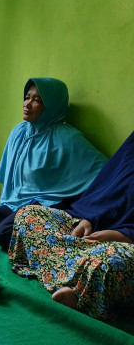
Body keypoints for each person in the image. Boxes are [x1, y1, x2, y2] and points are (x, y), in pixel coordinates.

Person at [0, 77, 107, 250]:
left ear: (52, 105)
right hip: (17, 203)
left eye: (37, 100)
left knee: (3, 233)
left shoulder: (67, 138)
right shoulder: (20, 131)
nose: (28, 104)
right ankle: (34, 239)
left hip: (47, 204)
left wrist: (88, 212)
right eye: (27, 97)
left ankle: (47, 240)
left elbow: (106, 172)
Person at [8, 130, 134, 320]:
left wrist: (122, 235)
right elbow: (109, 189)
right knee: (29, 214)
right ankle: (77, 275)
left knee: (107, 261)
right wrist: (90, 217)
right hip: (96, 227)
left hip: (123, 245)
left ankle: (78, 293)